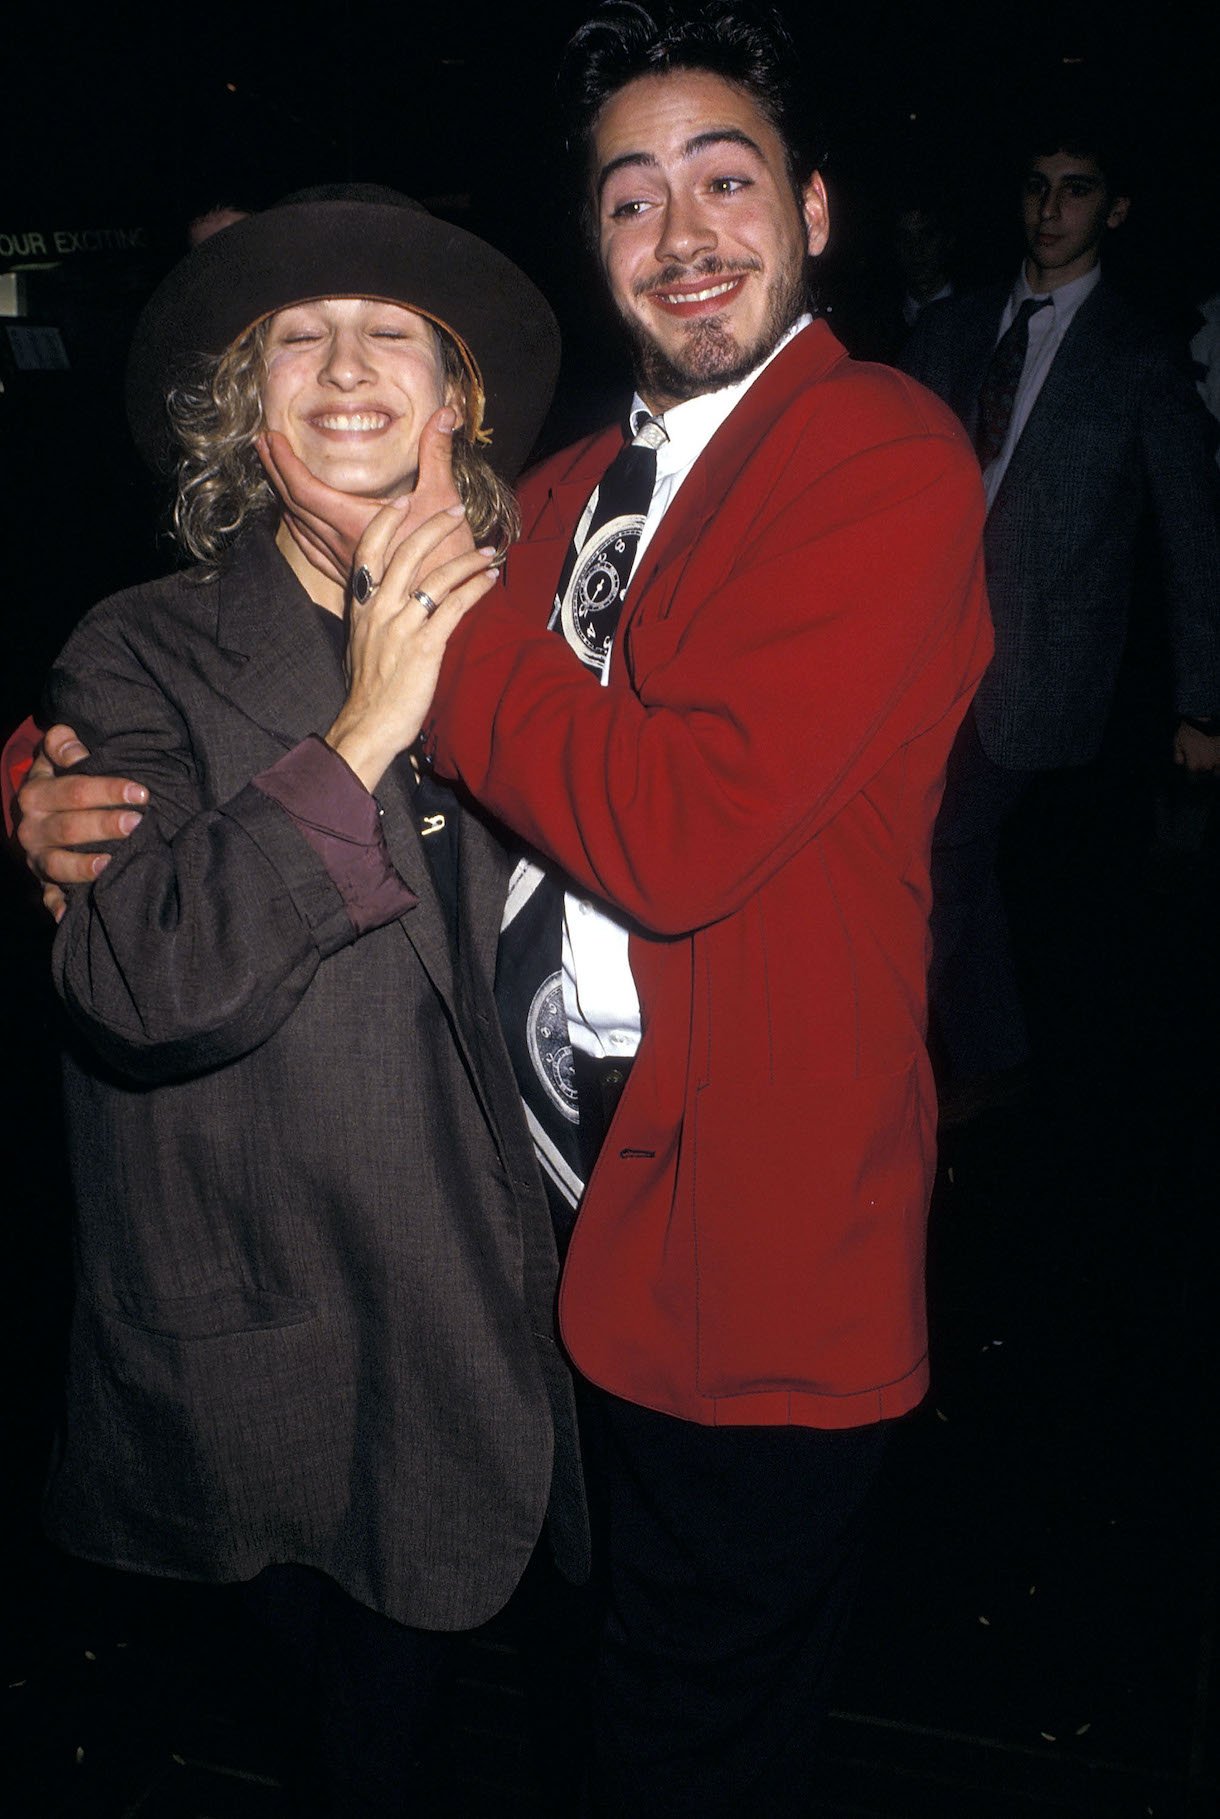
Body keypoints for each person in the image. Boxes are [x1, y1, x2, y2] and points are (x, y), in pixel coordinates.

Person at [16, 7, 992, 1811]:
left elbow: (677, 825)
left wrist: (414, 657)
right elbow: (159, 860)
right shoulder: (547, 510)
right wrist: (33, 782)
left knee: (668, 1735)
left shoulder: (855, 454)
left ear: (819, 210)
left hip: (701, 1274)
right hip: (432, 1309)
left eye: (728, 180)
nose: (685, 229)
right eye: (634, 198)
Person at [8, 184, 586, 1815]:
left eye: (390, 332)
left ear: (457, 391)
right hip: (268, 1313)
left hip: (487, 1300)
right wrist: (365, 721)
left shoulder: (545, 621)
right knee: (334, 1710)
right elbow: (144, 978)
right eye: (296, 341)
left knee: (412, 1703)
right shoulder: (137, 654)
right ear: (236, 406)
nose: (346, 370)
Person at [900, 115, 1220, 1116]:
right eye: (1036, 185)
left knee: (946, 849)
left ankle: (936, 1057)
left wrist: (1200, 706)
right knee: (938, 856)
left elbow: (1190, 535)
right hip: (915, 649)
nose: (1048, 208)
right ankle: (981, 1051)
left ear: (1112, 210)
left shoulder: (1137, 354)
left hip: (1038, 664)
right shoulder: (949, 332)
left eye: (1075, 188)